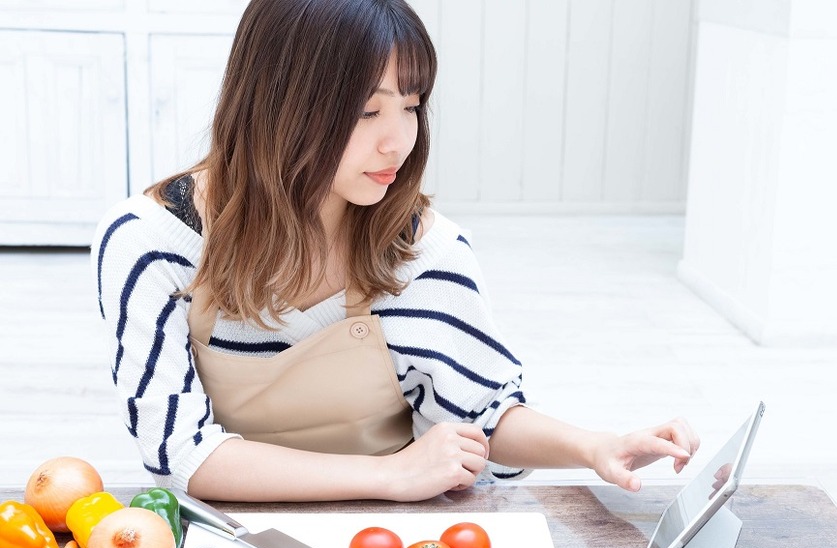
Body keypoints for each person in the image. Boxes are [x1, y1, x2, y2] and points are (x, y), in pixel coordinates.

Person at [91, 0, 699, 502]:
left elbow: (480, 413)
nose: (398, 141)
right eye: (366, 110)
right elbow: (176, 454)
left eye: (411, 106)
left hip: (403, 545)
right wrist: (392, 475)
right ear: (274, 104)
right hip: (233, 543)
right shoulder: (153, 242)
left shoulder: (422, 247)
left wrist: (594, 447)